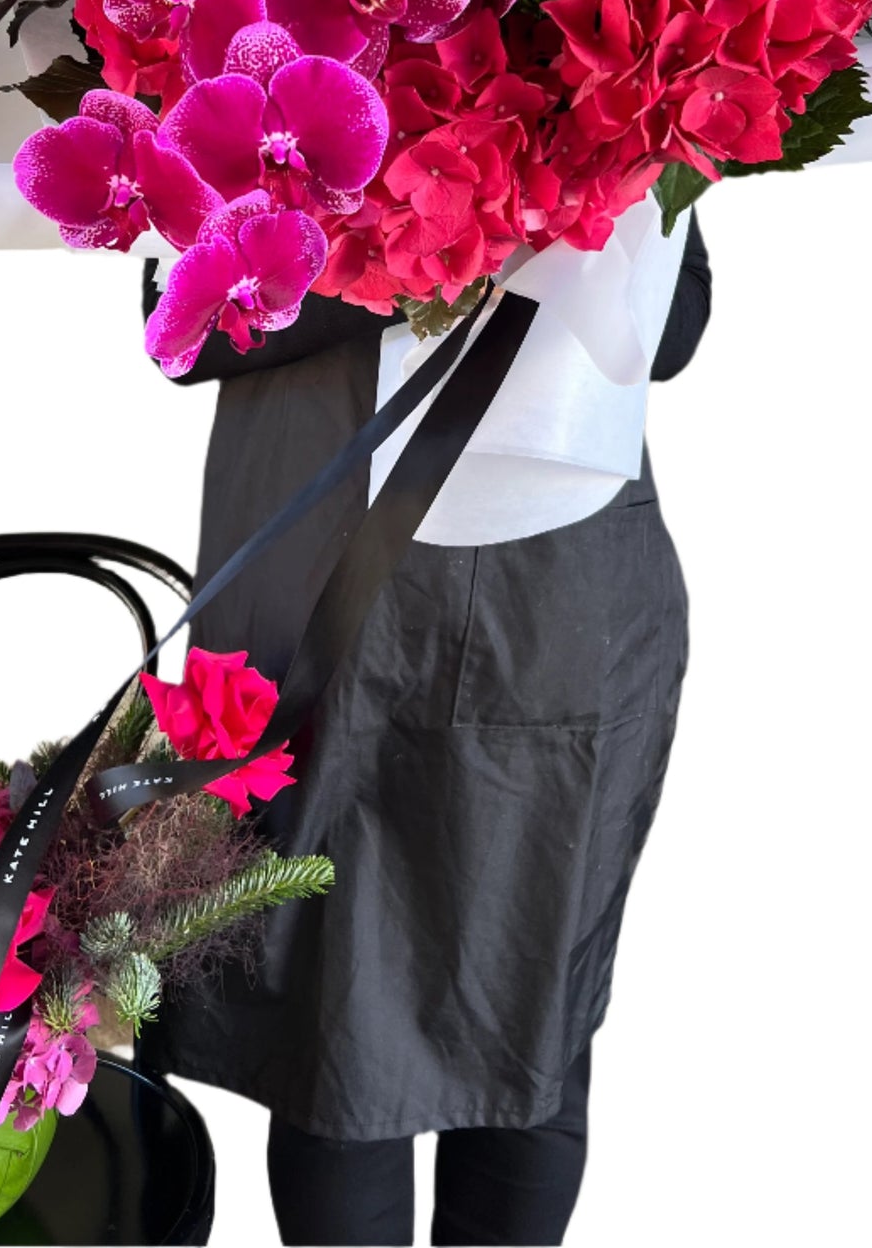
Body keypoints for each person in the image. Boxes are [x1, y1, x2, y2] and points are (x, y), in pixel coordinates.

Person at [143, 213, 712, 1246]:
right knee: (336, 1023)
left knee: (528, 1019)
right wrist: (433, 235)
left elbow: (673, 326)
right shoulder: (257, 80)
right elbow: (182, 326)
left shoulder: (597, 65)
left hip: (555, 609)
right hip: (325, 596)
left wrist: (577, 197)